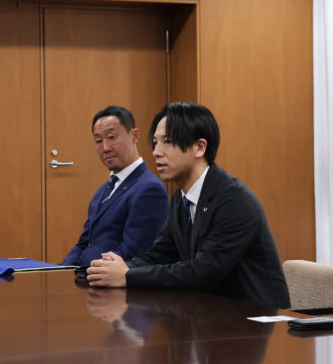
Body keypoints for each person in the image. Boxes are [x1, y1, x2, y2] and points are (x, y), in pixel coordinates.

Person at [86, 102, 291, 309]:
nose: (156, 152)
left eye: (167, 142)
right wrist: (114, 269)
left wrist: (127, 276)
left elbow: (202, 272)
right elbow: (161, 254)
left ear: (199, 147)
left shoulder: (235, 200)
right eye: (155, 143)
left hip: (253, 315)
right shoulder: (180, 197)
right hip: (209, 311)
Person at [62, 106, 168, 267]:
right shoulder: (102, 191)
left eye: (111, 137)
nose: (105, 148)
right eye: (99, 141)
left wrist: (89, 273)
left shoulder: (149, 189)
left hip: (109, 278)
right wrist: (62, 271)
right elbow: (83, 244)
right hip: (85, 274)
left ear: (134, 135)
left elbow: (133, 253)